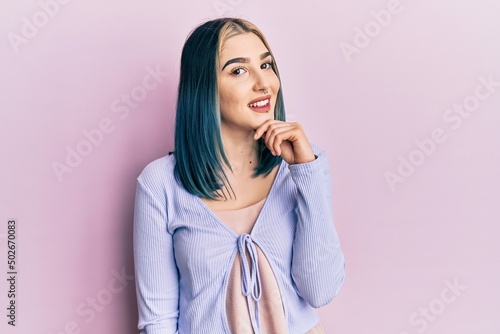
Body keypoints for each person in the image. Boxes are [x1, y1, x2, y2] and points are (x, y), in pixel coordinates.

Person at [133, 17, 345, 334]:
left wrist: (306, 171)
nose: (264, 83)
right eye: (238, 70)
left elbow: (320, 289)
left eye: (267, 65)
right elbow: (159, 320)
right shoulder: (160, 183)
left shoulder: (303, 166)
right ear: (204, 87)